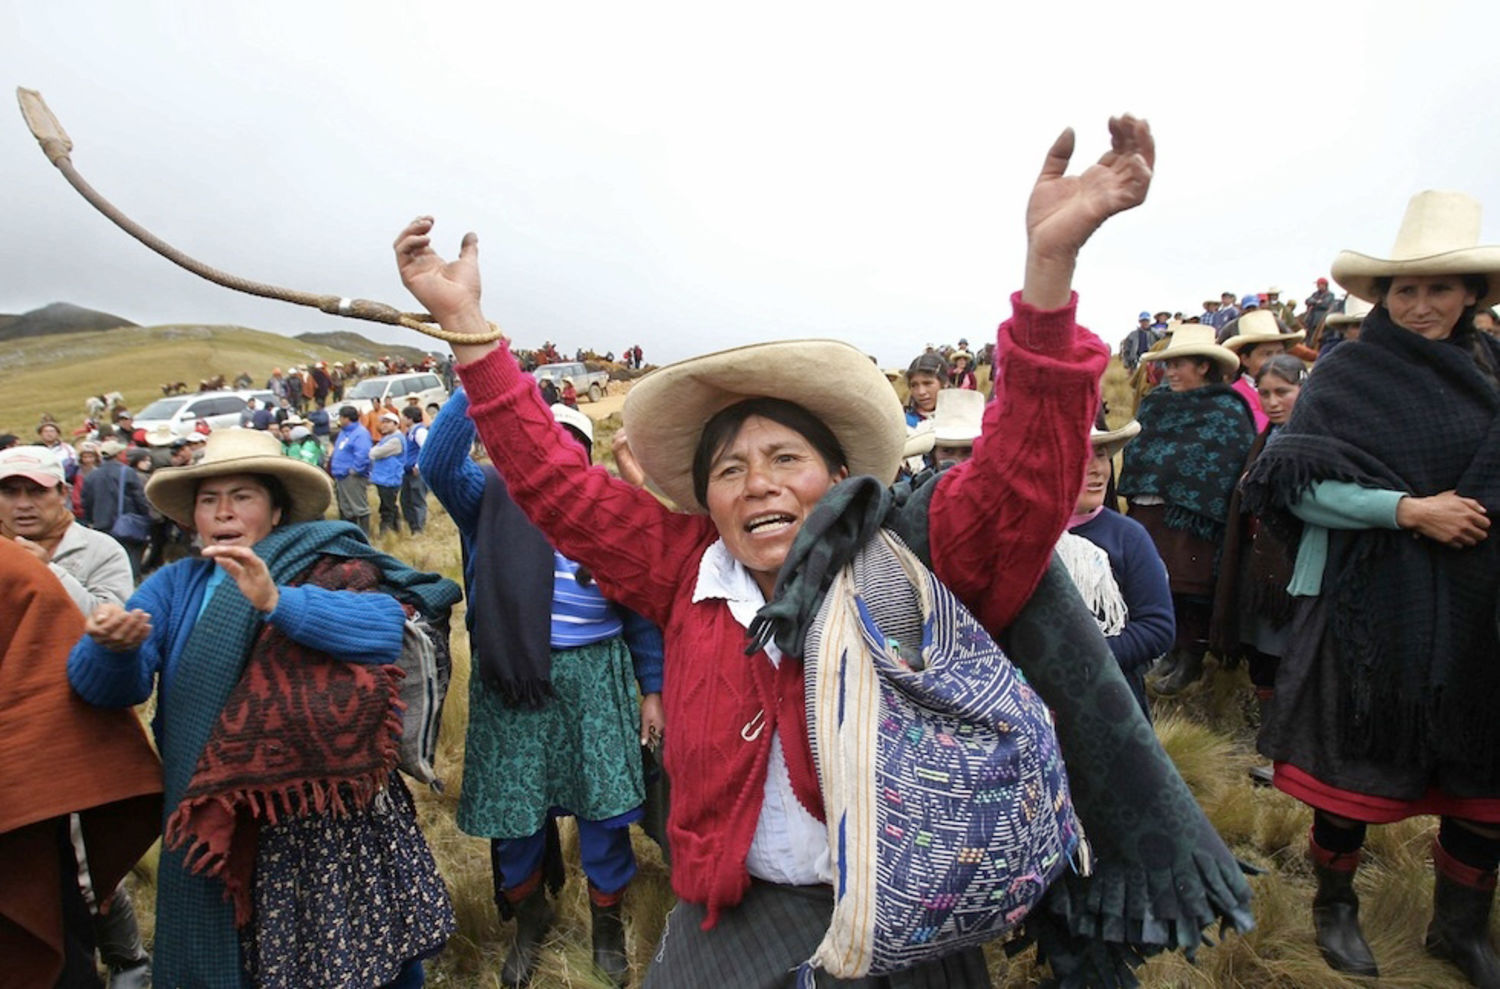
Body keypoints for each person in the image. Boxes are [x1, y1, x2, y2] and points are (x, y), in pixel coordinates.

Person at [394, 115, 1252, 987]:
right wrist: (467, 325)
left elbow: (1022, 478)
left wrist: (1049, 273)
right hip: (731, 916)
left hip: (904, 921)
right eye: (729, 467)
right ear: (706, 498)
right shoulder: (686, 570)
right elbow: (556, 486)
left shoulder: (914, 566)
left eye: (784, 459)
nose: (756, 483)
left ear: (839, 474)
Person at [68, 428, 460, 987]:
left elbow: (382, 632)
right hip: (225, 818)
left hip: (332, 815)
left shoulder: (326, 560)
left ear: (276, 511)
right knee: (252, 962)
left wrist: (277, 601)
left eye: (242, 496)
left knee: (365, 955)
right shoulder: (174, 586)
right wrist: (111, 649)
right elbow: (110, 690)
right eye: (208, 500)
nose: (223, 511)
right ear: (194, 517)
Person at [1242, 191, 1500, 985]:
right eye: (1405, 290)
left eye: (1440, 289)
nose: (1420, 306)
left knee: (1480, 777)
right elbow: (1293, 484)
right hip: (1370, 602)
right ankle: (1335, 906)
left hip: (1477, 605)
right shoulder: (1348, 373)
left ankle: (1459, 929)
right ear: (1381, 297)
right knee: (1352, 768)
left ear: (1472, 297)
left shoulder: (1492, 371)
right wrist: (1409, 510)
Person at [423, 390, 664, 987]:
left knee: (603, 810)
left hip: (596, 677)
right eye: (537, 444)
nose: (554, 456)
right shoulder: (488, 498)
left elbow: (639, 611)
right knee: (516, 813)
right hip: (513, 681)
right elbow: (436, 463)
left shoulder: (608, 512)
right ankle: (529, 920)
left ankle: (606, 927)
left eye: (569, 445)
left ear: (586, 456)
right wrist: (476, 383)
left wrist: (652, 688)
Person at [1, 537, 162, 989]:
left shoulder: (17, 572)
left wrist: (115, 646)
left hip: (20, 823)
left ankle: (129, 959)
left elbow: (54, 698)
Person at [1119, 323, 1255, 695]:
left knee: (1191, 588)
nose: (1171, 373)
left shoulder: (1227, 411)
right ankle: (1169, 651)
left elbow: (1229, 463)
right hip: (1151, 510)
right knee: (1158, 585)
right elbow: (1138, 449)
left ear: (1204, 367)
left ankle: (1191, 660)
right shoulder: (1156, 404)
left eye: (1180, 365)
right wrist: (1156, 477)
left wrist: (1178, 481)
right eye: (1168, 365)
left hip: (1197, 517)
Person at [1064, 418, 1173, 717]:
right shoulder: (1023, 537)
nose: (1096, 468)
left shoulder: (1127, 537)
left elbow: (1157, 628)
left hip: (1112, 706)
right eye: (1081, 456)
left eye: (1100, 454)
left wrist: (1084, 662)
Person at [1222, 308, 1306, 432]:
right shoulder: (1235, 395)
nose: (1275, 359)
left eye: (1280, 353)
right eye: (1267, 354)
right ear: (1245, 359)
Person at [82, 439, 152, 580]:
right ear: (119, 454)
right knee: (131, 555)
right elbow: (139, 498)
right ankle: (130, 584)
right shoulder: (127, 472)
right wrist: (147, 517)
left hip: (101, 524)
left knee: (108, 559)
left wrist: (90, 520)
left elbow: (86, 501)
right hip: (126, 524)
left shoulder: (91, 475)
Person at [330, 405, 373, 534]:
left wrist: (355, 470)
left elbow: (363, 453)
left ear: (346, 418)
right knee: (346, 508)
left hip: (352, 476)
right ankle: (351, 535)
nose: (339, 420)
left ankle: (365, 535)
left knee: (358, 507)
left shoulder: (360, 433)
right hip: (340, 475)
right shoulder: (343, 432)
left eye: (341, 417)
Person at [369, 411, 406, 535]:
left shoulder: (396, 440)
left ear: (396, 424)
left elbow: (374, 453)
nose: (384, 425)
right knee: (391, 506)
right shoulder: (387, 438)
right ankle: (397, 530)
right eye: (383, 422)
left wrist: (374, 450)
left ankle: (386, 533)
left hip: (389, 478)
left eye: (387, 422)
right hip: (384, 477)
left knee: (387, 508)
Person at [399, 405, 429, 534]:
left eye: (404, 417)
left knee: (417, 499)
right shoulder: (410, 432)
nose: (403, 420)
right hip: (407, 471)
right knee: (406, 499)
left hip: (415, 472)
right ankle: (412, 525)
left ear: (410, 418)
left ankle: (419, 527)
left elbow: (426, 449)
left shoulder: (420, 431)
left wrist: (418, 466)